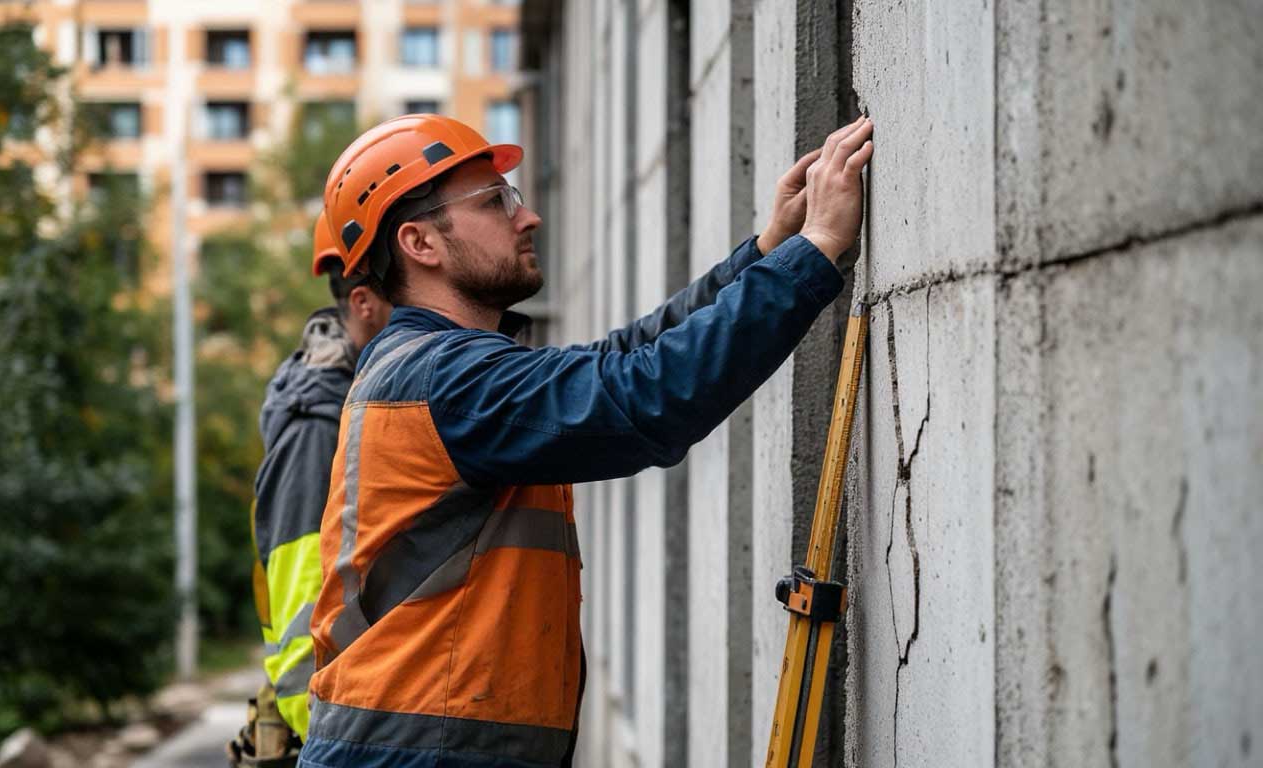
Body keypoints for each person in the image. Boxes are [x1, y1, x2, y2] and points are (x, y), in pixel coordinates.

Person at [302, 113, 873, 768]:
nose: (527, 217)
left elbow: (618, 358)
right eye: (495, 202)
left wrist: (767, 254)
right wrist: (820, 244)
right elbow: (642, 395)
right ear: (420, 243)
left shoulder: (433, 367)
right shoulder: (443, 380)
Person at [228, 212, 392, 767]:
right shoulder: (318, 427)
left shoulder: (358, 403)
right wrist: (330, 743)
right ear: (365, 304)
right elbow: (302, 619)